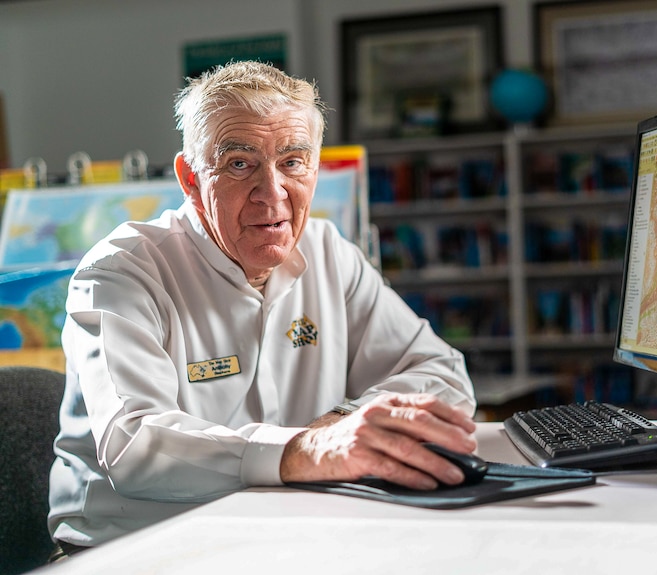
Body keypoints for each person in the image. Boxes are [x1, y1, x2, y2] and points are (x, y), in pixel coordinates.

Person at [47, 60, 477, 556]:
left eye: (293, 162)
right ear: (190, 178)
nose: (272, 194)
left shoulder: (328, 250)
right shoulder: (120, 273)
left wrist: (343, 419)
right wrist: (304, 451)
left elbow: (441, 372)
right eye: (238, 163)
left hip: (289, 535)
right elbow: (135, 445)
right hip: (131, 551)